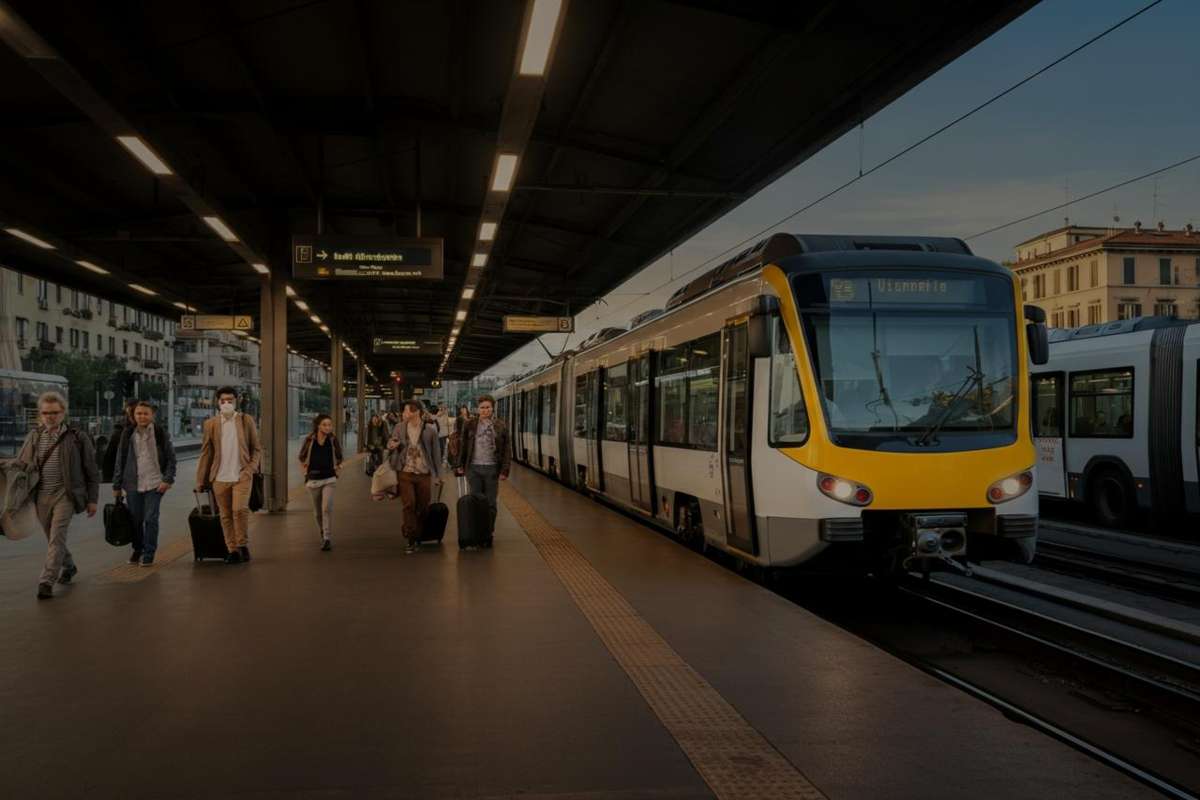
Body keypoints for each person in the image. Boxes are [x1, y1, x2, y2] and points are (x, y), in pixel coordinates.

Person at [14, 392, 99, 599]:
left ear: (63, 413)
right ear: (40, 414)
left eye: (54, 412)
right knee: (53, 539)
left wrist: (92, 499)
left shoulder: (77, 437)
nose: (50, 417)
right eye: (45, 413)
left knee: (57, 536)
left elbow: (91, 470)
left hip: (66, 495)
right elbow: (21, 464)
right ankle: (69, 566)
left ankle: (46, 581)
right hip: (41, 496)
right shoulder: (35, 436)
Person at [195, 387, 262, 564]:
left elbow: (256, 448)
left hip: (241, 475)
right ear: (218, 402)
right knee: (225, 515)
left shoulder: (246, 420)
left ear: (236, 401)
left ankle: (242, 544)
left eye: (230, 400)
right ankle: (232, 550)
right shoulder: (211, 424)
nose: (226, 403)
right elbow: (206, 453)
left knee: (239, 510)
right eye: (223, 400)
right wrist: (200, 480)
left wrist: (250, 469)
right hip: (219, 477)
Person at [112, 401, 177, 566]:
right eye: (138, 413)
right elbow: (120, 460)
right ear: (134, 415)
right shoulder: (128, 434)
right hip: (133, 484)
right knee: (135, 520)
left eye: (145, 413)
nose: (142, 416)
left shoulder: (160, 433)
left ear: (152, 415)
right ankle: (137, 549)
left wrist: (167, 479)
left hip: (155, 483)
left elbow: (171, 458)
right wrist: (116, 485)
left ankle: (148, 553)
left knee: (151, 518)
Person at [387, 401, 442, 554]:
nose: (404, 413)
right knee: (409, 504)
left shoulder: (429, 430)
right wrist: (391, 445)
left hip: (424, 473)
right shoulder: (399, 427)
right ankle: (411, 537)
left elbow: (436, 453)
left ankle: (416, 530)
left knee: (423, 506)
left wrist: (438, 475)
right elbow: (391, 441)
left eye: (406, 411)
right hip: (405, 472)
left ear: (416, 411)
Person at [456, 394, 510, 539]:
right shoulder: (470, 424)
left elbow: (506, 449)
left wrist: (504, 470)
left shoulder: (501, 425)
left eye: (488, 407)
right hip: (473, 469)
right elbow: (463, 445)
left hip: (492, 469)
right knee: (476, 502)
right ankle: (477, 532)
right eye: (482, 408)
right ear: (478, 409)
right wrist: (460, 464)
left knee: (491, 503)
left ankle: (488, 532)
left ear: (493, 408)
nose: (485, 410)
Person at [299, 414, 343, 552]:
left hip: (329, 479)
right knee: (318, 512)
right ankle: (322, 532)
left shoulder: (333, 440)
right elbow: (302, 457)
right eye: (324, 424)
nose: (328, 427)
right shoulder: (309, 440)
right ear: (318, 426)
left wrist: (337, 466)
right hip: (313, 480)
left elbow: (339, 456)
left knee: (326, 508)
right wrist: (305, 472)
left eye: (329, 425)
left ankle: (327, 537)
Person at [102, 399, 139, 483]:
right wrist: (110, 479)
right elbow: (110, 457)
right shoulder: (120, 432)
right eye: (130, 413)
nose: (132, 416)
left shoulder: (151, 430)